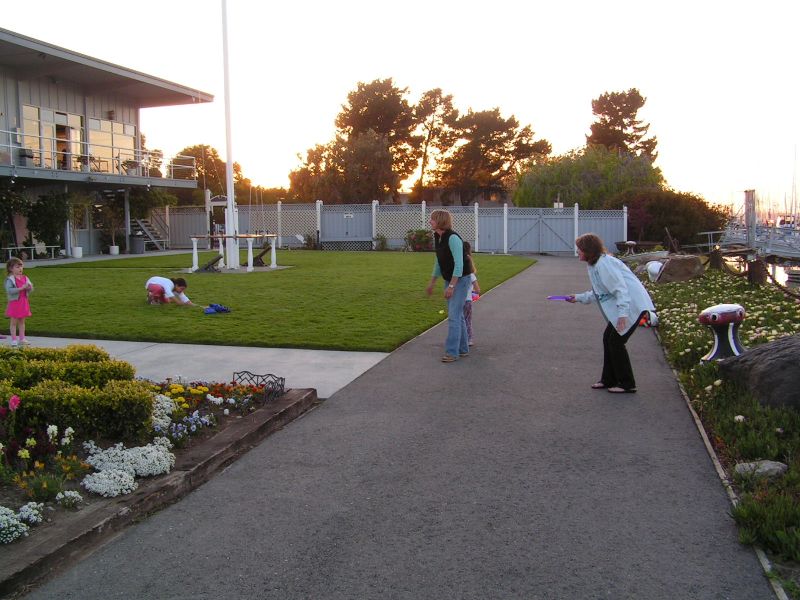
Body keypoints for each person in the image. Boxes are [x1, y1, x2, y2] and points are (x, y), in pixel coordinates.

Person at [566, 233, 657, 394]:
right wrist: (578, 298)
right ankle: (608, 380)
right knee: (609, 339)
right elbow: (601, 293)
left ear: (588, 250)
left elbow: (620, 289)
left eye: (579, 249)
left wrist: (622, 315)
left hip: (631, 306)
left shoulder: (604, 265)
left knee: (615, 342)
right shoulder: (595, 265)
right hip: (626, 307)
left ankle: (627, 383)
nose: (577, 252)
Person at [425, 209, 473, 362]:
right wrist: (432, 283)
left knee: (453, 316)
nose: (429, 221)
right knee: (457, 315)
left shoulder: (452, 238)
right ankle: (463, 349)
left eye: (432, 219)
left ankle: (452, 352)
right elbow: (439, 262)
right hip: (450, 279)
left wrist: (451, 287)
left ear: (439, 221)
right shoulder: (438, 237)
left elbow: (459, 264)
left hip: (460, 279)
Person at [5, 257, 33, 347]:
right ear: (11, 269)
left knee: (22, 321)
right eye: (17, 267)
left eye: (21, 267)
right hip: (15, 303)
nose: (20, 269)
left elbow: (30, 288)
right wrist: (21, 288)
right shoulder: (10, 279)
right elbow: (9, 290)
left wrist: (29, 288)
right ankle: (14, 339)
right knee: (13, 322)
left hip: (24, 302)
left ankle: (22, 338)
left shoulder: (25, 278)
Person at [462, 242, 481, 347]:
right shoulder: (471, 275)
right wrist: (474, 292)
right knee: (468, 321)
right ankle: (469, 339)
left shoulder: (460, 274)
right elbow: (478, 290)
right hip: (468, 301)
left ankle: (461, 338)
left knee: (460, 320)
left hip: (459, 300)